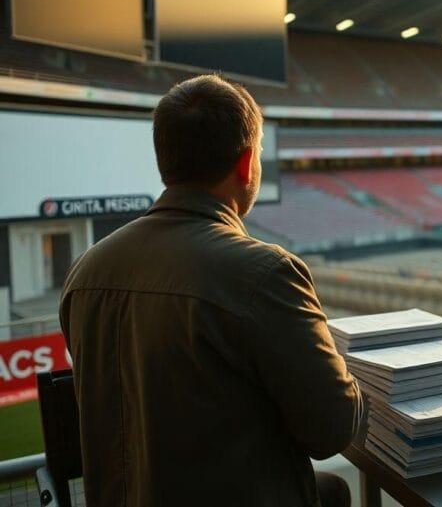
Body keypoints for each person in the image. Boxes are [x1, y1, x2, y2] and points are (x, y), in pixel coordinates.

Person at [59, 75, 364, 507]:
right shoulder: (265, 272)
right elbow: (332, 430)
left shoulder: (85, 272)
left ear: (166, 160)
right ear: (245, 164)